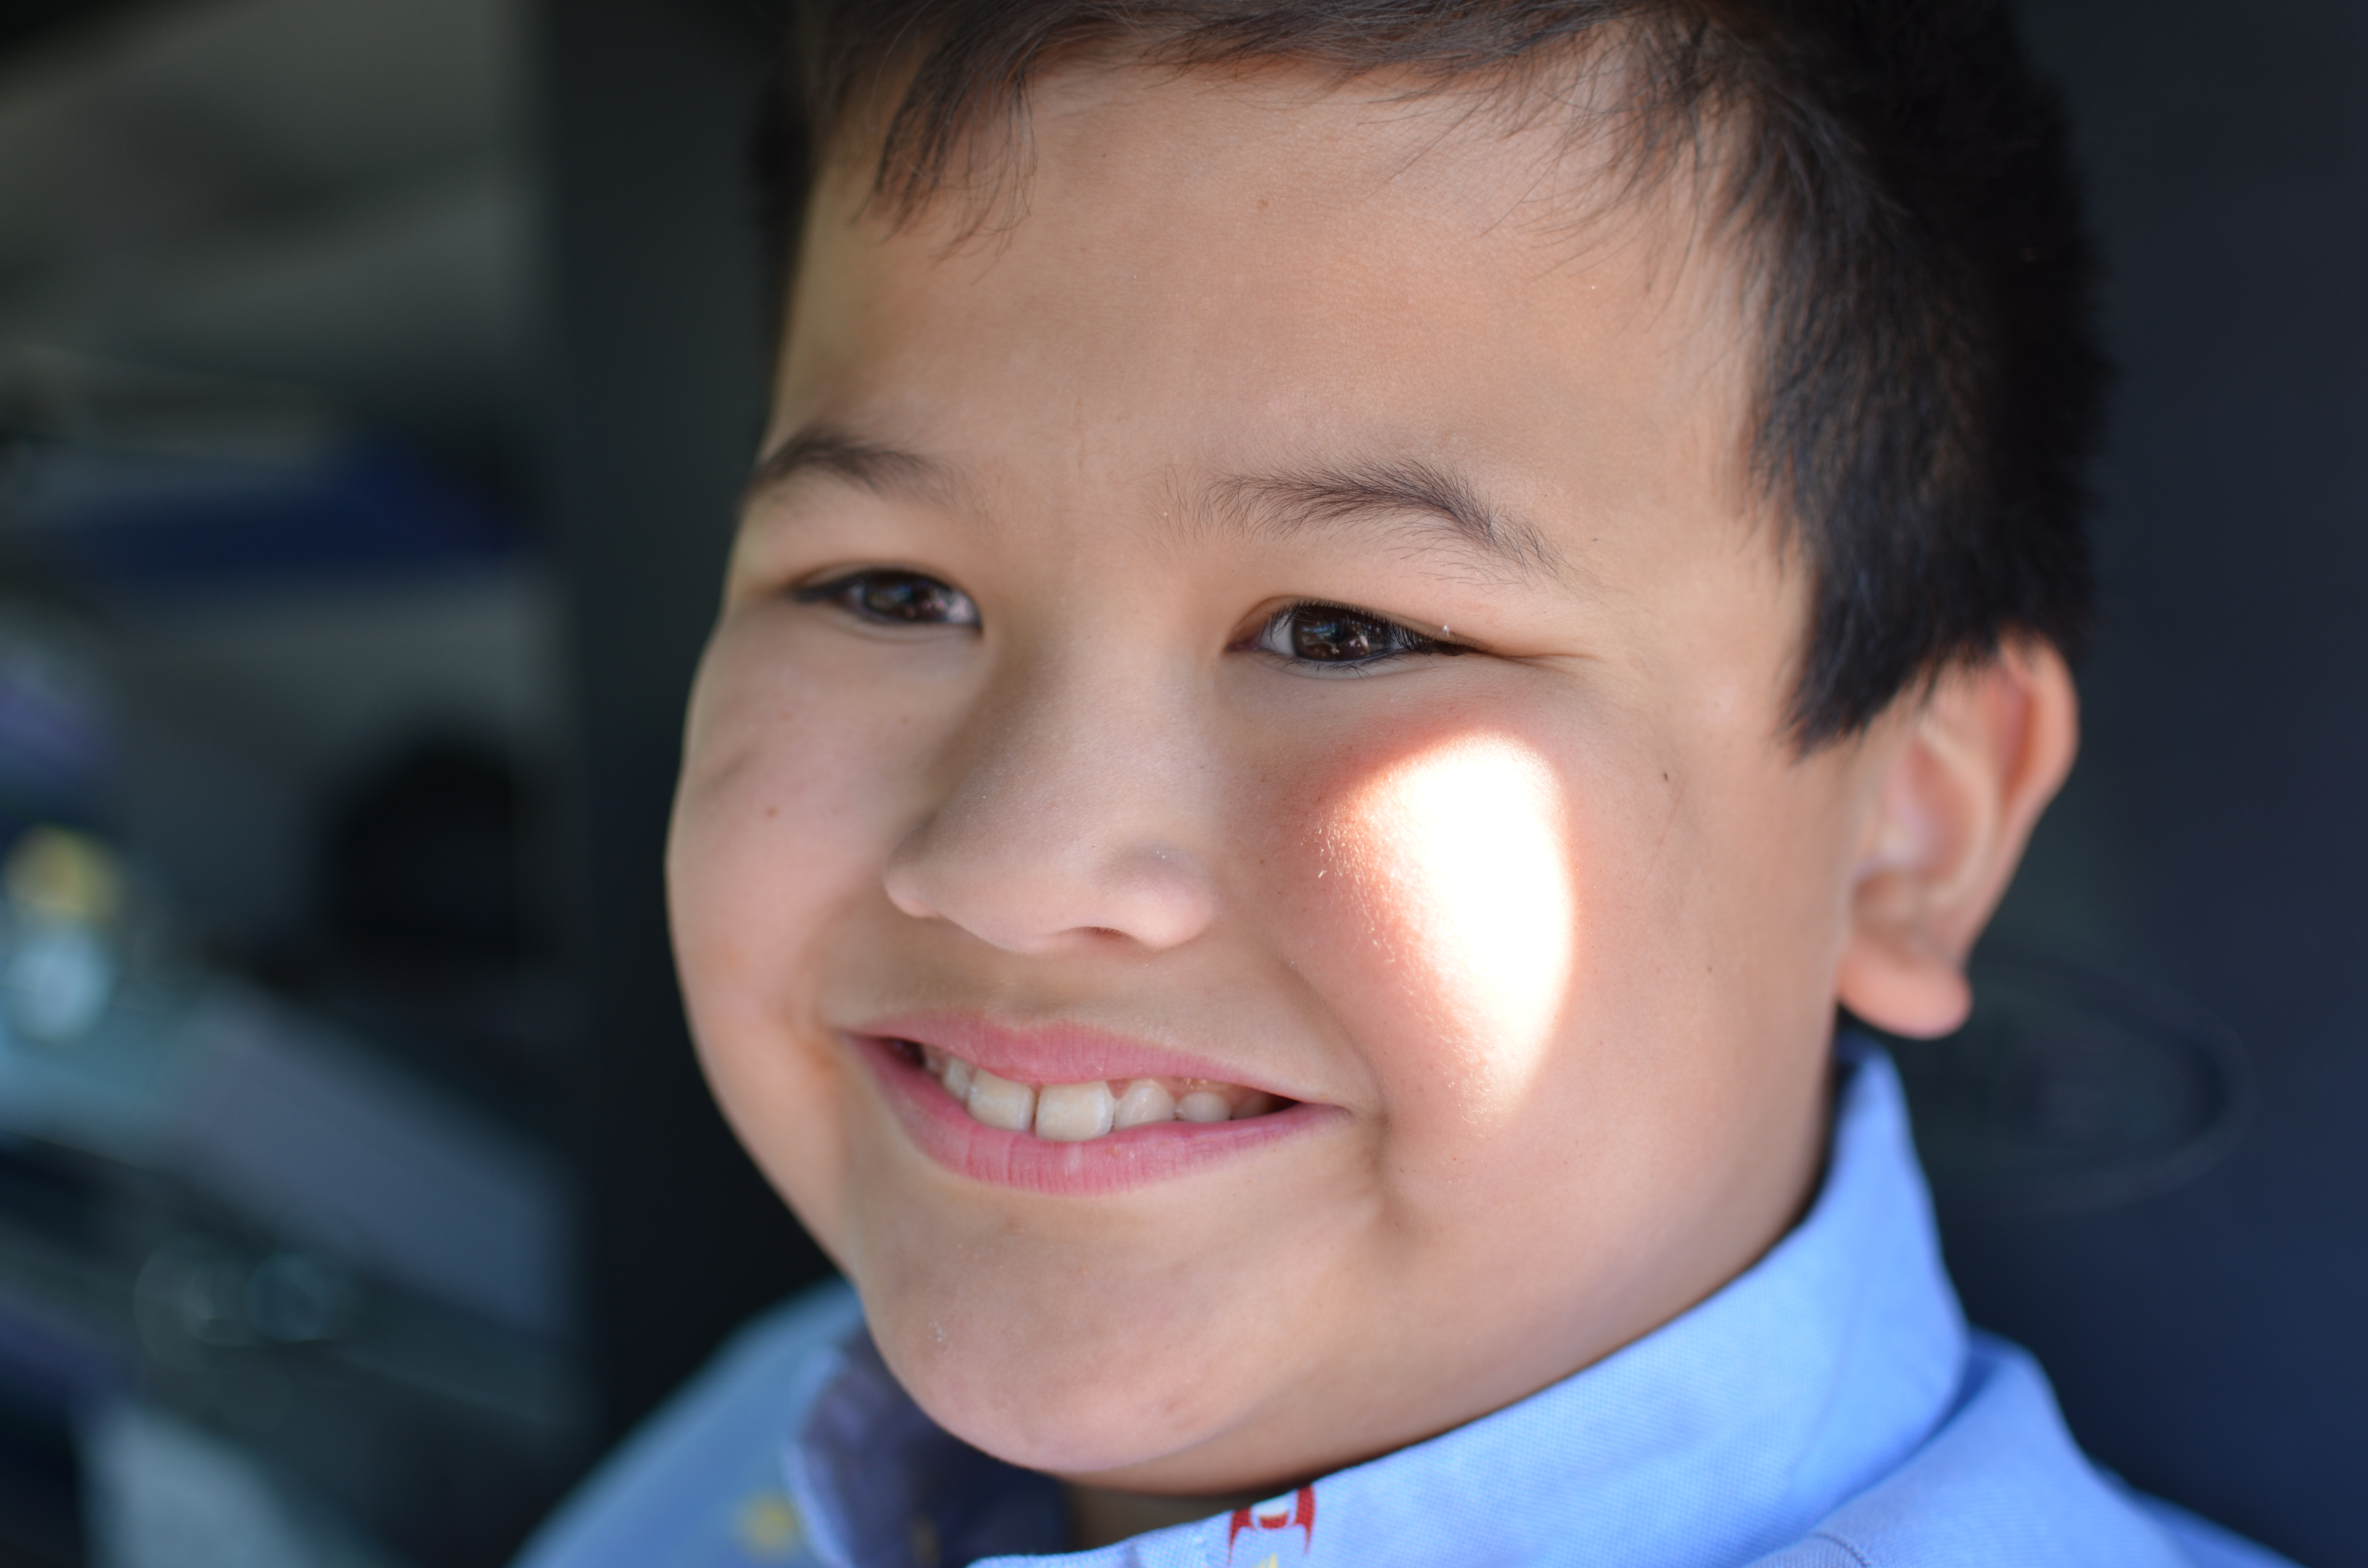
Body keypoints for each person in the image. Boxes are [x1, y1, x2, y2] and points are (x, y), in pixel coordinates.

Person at [516, 3, 2295, 1564]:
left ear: (1910, 826)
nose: (1013, 865)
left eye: (1346, 632)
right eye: (889, 591)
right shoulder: (761, 1446)